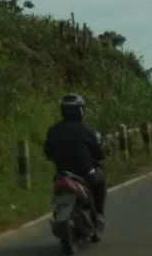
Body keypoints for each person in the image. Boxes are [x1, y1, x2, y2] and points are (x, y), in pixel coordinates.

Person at [43, 93, 107, 224]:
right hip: (84, 172)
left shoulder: (53, 130)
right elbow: (99, 154)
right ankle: (99, 213)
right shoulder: (87, 131)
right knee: (100, 179)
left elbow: (48, 154)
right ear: (80, 110)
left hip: (62, 173)